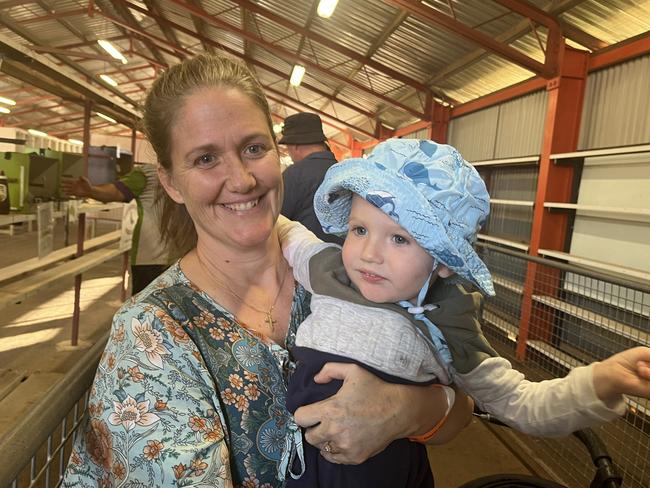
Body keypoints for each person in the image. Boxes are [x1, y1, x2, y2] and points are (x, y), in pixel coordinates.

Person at [61, 55, 474, 487]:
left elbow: (462, 410)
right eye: (205, 159)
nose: (241, 180)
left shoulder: (352, 274)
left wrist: (406, 411)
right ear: (169, 182)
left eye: (254, 149)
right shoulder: (153, 337)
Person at [277, 138, 650, 487]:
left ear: (444, 261)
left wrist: (603, 381)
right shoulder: (328, 269)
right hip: (298, 466)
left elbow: (520, 403)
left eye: (400, 238)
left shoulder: (446, 320)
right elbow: (285, 231)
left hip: (382, 474)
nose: (369, 253)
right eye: (359, 229)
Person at [61, 163, 170, 293]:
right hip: (153, 260)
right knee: (149, 307)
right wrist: (91, 191)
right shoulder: (149, 174)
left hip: (188, 258)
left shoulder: (192, 174)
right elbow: (116, 192)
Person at [279, 112, 343, 245]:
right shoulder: (344, 173)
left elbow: (278, 220)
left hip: (306, 257)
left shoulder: (293, 175)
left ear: (294, 146)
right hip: (341, 258)